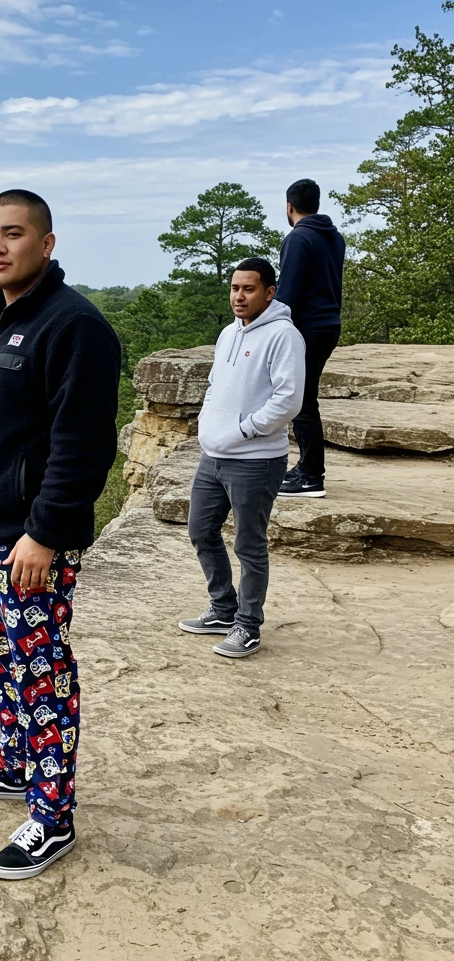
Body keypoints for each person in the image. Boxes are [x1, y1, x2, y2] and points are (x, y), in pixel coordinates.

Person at [0, 189, 120, 880]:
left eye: (12, 233)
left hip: (29, 546)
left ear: (46, 243)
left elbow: (82, 446)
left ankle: (52, 818)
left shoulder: (74, 327)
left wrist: (44, 535)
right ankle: (15, 766)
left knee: (41, 676)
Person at [179, 258, 305, 659]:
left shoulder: (284, 336)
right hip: (213, 456)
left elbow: (289, 399)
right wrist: (209, 425)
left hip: (255, 459)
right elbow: (217, 384)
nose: (239, 296)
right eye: (235, 288)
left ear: (269, 292)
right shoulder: (228, 333)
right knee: (201, 530)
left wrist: (245, 429)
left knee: (250, 546)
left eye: (249, 289)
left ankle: (248, 626)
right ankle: (222, 609)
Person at [274, 178, 345, 499]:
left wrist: (266, 328)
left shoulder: (298, 239)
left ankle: (310, 474)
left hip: (306, 329)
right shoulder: (334, 238)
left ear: (289, 207)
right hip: (328, 325)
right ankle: (307, 468)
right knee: (305, 398)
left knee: (302, 401)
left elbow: (287, 293)